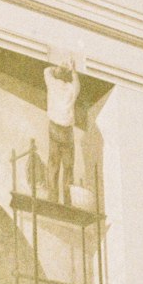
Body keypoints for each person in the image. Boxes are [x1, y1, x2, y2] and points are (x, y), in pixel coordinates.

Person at [43, 59, 79, 204]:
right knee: (68, 166)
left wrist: (58, 66)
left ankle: (52, 198)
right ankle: (68, 200)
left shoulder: (52, 84)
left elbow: (46, 70)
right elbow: (76, 81)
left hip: (54, 127)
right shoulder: (72, 88)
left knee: (53, 163)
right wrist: (72, 69)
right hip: (67, 131)